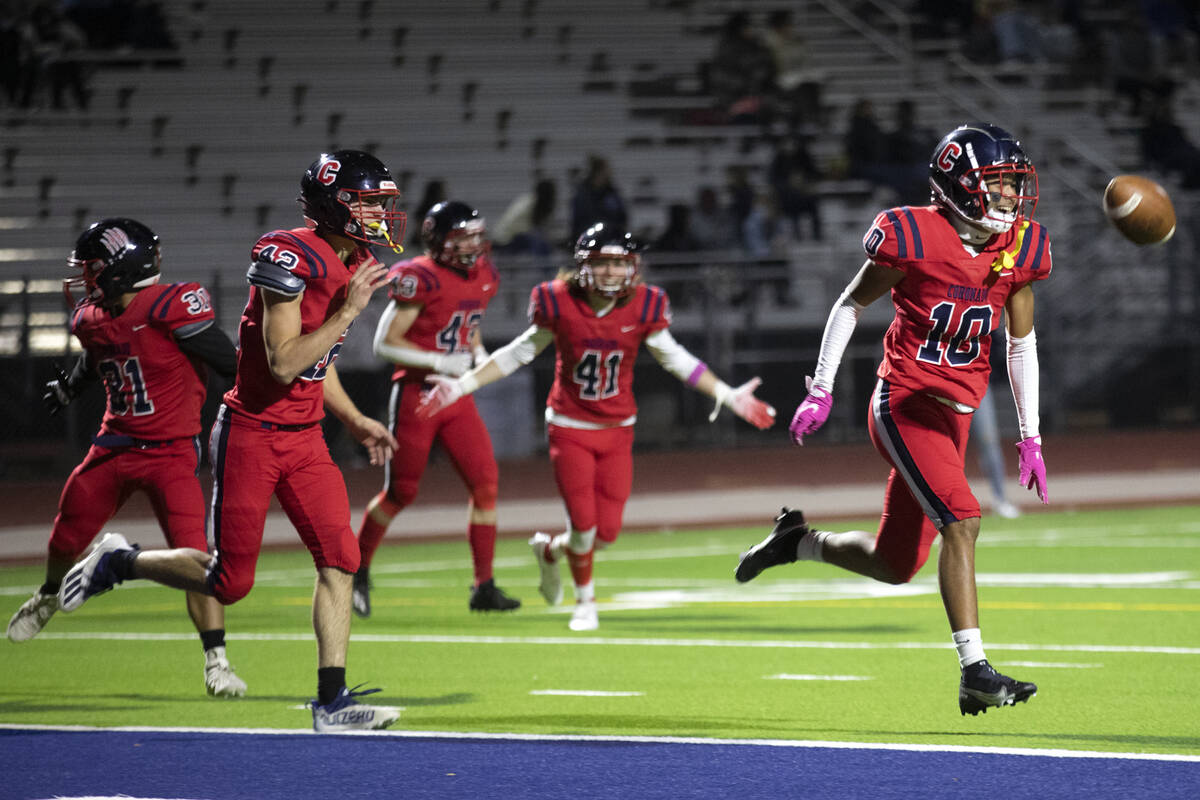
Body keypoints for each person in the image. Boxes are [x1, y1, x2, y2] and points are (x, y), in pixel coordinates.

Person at [55, 150, 405, 732]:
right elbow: (285, 359)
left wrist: (353, 418)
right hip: (253, 435)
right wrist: (348, 312)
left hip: (305, 437)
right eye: (369, 203)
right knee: (230, 583)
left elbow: (319, 365)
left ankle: (332, 703)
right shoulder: (290, 255)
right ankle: (123, 562)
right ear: (334, 206)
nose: (380, 214)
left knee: (342, 559)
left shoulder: (355, 256)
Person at [735, 124, 1050, 716]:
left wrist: (1030, 433)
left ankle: (797, 544)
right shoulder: (912, 235)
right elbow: (850, 304)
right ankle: (975, 671)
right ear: (960, 185)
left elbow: (1020, 344)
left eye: (1014, 184)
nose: (1011, 196)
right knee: (963, 519)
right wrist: (822, 388)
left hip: (955, 417)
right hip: (904, 403)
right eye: (999, 183)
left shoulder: (1021, 248)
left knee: (896, 564)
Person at [418, 223, 777, 631]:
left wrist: (728, 395)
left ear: (632, 266)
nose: (610, 272)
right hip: (569, 426)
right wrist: (461, 386)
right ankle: (584, 601)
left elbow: (674, 357)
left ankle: (551, 553)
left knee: (605, 534)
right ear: (583, 265)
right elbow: (518, 353)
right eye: (601, 263)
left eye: (618, 263)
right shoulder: (556, 301)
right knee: (584, 526)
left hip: (618, 429)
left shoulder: (645, 303)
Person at [6, 217, 245, 698]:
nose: (85, 280)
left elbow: (229, 360)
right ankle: (49, 594)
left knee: (195, 557)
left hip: (172, 451)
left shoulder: (170, 307)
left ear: (121, 269)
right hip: (114, 444)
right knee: (65, 533)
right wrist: (72, 387)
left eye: (93, 269)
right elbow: (97, 357)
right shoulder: (92, 317)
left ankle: (216, 660)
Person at [352, 200, 521, 617]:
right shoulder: (419, 276)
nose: (474, 245)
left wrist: (477, 351)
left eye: (476, 236)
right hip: (418, 394)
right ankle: (356, 569)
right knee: (401, 492)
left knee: (485, 483)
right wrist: (439, 361)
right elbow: (384, 343)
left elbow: (470, 320)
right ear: (440, 241)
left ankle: (484, 585)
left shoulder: (484, 274)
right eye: (463, 238)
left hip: (456, 396)